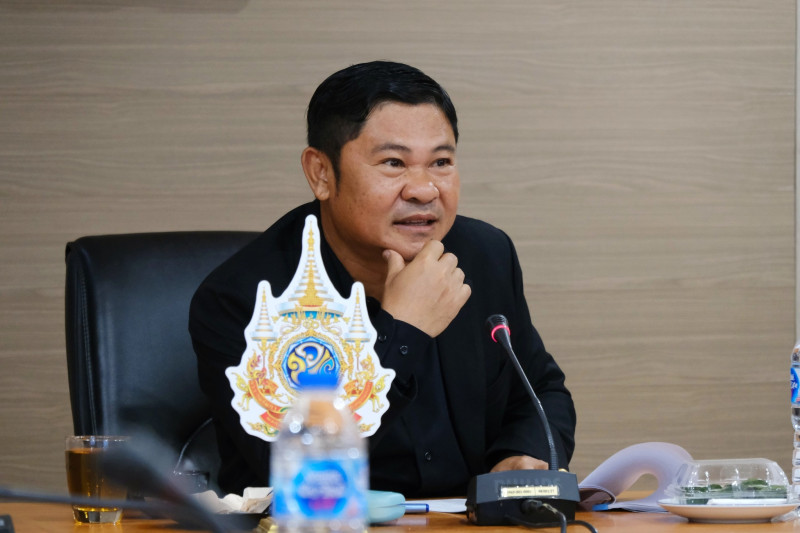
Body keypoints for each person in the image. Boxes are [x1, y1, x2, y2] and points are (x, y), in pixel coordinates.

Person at [189, 61, 576, 498]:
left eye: (441, 162)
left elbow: (539, 389)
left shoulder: (484, 254)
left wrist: (523, 454)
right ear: (321, 173)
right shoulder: (246, 301)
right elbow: (298, 468)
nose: (424, 190)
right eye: (394, 163)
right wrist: (403, 330)